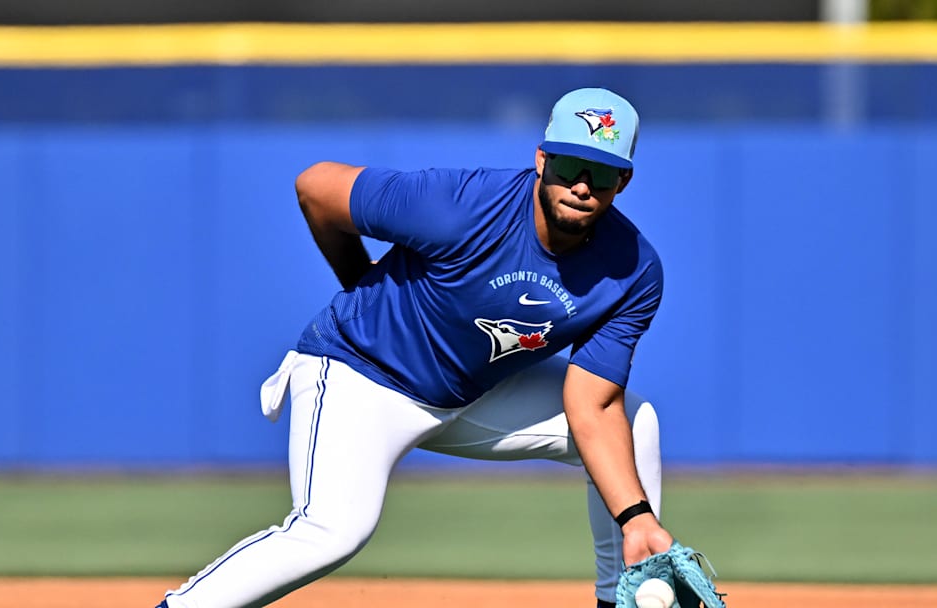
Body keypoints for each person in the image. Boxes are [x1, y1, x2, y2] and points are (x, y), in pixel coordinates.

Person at [157, 87, 673, 608]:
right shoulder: (460, 207)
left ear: (623, 181)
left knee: (633, 422)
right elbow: (315, 187)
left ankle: (622, 595)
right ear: (542, 159)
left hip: (470, 395)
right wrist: (358, 282)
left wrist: (637, 517)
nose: (582, 186)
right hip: (361, 373)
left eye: (602, 173)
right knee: (331, 532)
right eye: (569, 165)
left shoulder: (632, 271)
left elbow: (593, 405)